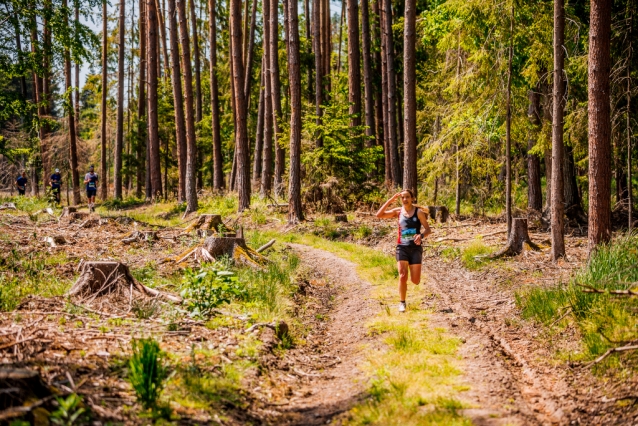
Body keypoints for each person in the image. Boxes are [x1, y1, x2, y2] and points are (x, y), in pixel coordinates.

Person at [376, 189, 431, 312]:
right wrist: (391, 200)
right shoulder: (398, 212)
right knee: (402, 276)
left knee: (415, 281)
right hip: (402, 247)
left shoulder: (419, 212)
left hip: (415, 248)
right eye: (403, 198)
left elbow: (428, 230)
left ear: (412, 198)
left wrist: (421, 236)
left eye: (407, 197)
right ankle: (402, 302)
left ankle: (414, 276)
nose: (405, 199)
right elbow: (379, 215)